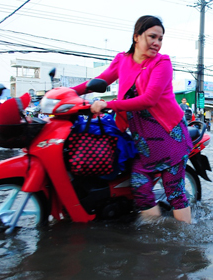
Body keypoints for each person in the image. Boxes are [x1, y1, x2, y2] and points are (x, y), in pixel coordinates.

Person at [71, 15, 193, 224]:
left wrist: (107, 104)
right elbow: (97, 81)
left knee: (175, 193)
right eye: (151, 36)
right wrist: (66, 92)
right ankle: (156, 238)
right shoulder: (122, 60)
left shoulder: (162, 63)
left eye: (160, 38)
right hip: (144, 143)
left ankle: (186, 242)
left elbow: (148, 99)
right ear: (136, 36)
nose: (157, 42)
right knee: (140, 190)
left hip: (169, 137)